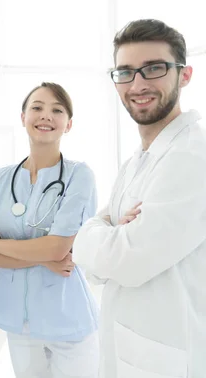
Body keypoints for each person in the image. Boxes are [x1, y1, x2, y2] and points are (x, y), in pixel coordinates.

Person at [73, 19, 205, 377]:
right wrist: (108, 234)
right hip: (130, 344)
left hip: (169, 354)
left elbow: (124, 260)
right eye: (126, 72)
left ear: (185, 75)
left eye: (154, 69)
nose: (138, 84)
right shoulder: (140, 159)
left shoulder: (192, 158)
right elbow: (103, 262)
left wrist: (95, 235)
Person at [0, 82, 100, 378]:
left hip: (68, 319)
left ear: (68, 124)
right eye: (37, 108)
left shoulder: (78, 175)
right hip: (20, 322)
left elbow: (57, 248)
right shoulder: (0, 180)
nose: (46, 116)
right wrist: (44, 258)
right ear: (23, 117)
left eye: (57, 110)